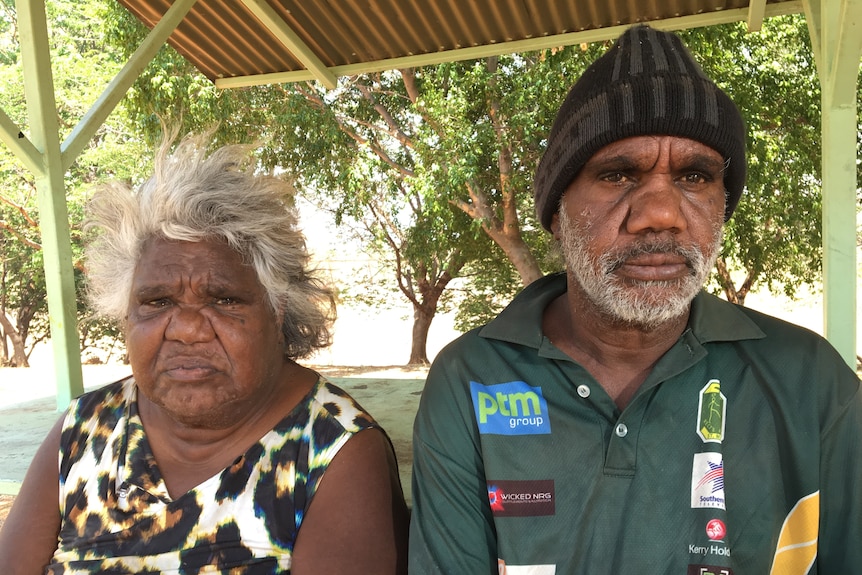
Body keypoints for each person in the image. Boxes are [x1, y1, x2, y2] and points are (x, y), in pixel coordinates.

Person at [409, 24, 861, 574]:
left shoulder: (809, 381)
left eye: (695, 176)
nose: (661, 214)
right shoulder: (471, 379)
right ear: (556, 212)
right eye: (619, 174)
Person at [0, 130, 409, 574]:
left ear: (277, 311)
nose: (188, 330)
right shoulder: (84, 428)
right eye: (157, 302)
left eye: (224, 299)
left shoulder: (333, 450)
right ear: (125, 316)